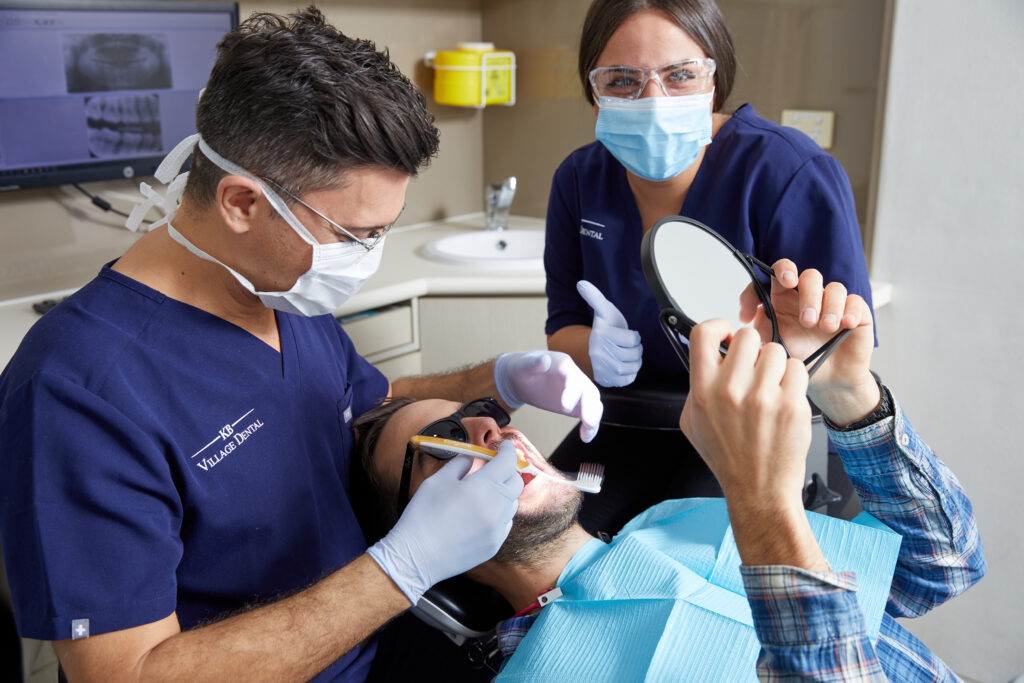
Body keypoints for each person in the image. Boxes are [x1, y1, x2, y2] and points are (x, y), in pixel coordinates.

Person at [0, 8, 603, 682]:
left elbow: (361, 401)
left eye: (383, 231)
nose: (366, 256)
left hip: (378, 641)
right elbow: (127, 674)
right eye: (354, 235)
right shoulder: (78, 388)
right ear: (242, 203)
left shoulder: (280, 290)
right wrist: (400, 567)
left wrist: (500, 379)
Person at [354, 262, 985, 680]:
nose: (490, 429)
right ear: (415, 536)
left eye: (481, 411)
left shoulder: (675, 521)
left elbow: (942, 571)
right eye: (441, 442)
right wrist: (764, 507)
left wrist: (850, 397)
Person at [543, 0, 876, 535]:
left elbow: (836, 356)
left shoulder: (789, 172)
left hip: (754, 425)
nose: (654, 100)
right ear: (594, 90)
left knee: (665, 565)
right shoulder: (580, 180)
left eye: (680, 76)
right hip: (628, 418)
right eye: (623, 80)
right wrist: (594, 352)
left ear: (714, 77)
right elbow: (561, 329)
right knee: (540, 538)